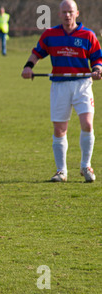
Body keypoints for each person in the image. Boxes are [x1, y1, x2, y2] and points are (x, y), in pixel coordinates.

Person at [22, 0, 102, 183]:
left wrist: (97, 70)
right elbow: (37, 53)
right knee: (59, 129)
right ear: (59, 14)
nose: (67, 15)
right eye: (64, 12)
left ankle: (85, 165)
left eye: (70, 11)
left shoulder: (88, 35)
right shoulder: (50, 34)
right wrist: (28, 67)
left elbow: (97, 58)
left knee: (87, 124)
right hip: (59, 85)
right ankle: (61, 171)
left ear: (77, 13)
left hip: (82, 84)